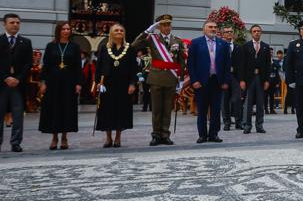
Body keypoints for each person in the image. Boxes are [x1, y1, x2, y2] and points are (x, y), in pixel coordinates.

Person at [132, 14, 183, 146]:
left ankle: (165, 134)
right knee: (156, 109)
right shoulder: (152, 39)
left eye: (169, 24)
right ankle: (156, 135)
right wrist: (148, 31)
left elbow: (181, 61)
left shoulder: (177, 41)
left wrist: (181, 80)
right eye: (164, 25)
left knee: (167, 109)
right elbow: (135, 44)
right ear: (159, 26)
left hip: (171, 78)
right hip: (156, 78)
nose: (167, 27)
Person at [0, 13, 32, 154]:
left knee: (17, 115)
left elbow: (28, 64)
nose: (15, 25)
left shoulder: (25, 42)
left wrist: (18, 78)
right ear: (4, 24)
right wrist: (6, 78)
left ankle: (16, 142)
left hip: (18, 85)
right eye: (12, 22)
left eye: (17, 22)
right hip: (1, 85)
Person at [186, 20, 232, 144]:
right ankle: (202, 135)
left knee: (216, 110)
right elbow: (191, 64)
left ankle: (214, 134)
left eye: (215, 27)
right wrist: (194, 80)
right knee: (202, 110)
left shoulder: (223, 44)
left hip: (217, 81)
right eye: (210, 27)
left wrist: (226, 80)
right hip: (201, 82)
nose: (213, 29)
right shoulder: (195, 43)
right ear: (204, 29)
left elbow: (228, 65)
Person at [38, 21, 82, 150]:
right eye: (64, 29)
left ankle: (64, 137)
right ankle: (54, 137)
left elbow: (77, 67)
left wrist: (78, 83)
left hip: (69, 82)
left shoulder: (75, 46)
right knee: (54, 109)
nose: (66, 31)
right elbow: (46, 65)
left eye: (68, 29)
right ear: (59, 31)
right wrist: (43, 82)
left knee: (66, 109)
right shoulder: (51, 46)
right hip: (53, 82)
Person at [95, 23, 137, 148]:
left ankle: (118, 137)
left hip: (123, 85)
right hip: (107, 84)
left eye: (121, 30)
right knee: (107, 110)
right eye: (116, 30)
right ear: (111, 33)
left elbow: (133, 68)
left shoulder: (130, 48)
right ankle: (108, 138)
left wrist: (132, 83)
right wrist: (97, 82)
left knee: (121, 110)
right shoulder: (104, 47)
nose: (119, 32)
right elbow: (99, 67)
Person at [238, 24, 272, 134]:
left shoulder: (266, 47)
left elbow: (268, 65)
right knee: (248, 103)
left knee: (260, 103)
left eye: (258, 31)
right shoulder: (246, 46)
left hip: (261, 78)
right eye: (254, 31)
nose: (256, 33)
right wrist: (242, 80)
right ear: (251, 33)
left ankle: (259, 125)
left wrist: (267, 80)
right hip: (249, 78)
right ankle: (247, 125)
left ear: (261, 33)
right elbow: (241, 64)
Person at [221, 26, 243, 131]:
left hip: (236, 77)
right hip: (224, 77)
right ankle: (227, 122)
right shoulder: (220, 46)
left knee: (237, 100)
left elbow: (243, 64)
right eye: (227, 32)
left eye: (231, 31)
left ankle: (239, 122)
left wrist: (242, 79)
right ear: (223, 34)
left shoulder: (239, 47)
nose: (229, 33)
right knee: (225, 100)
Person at [270, 49, 283, 114]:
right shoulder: (264, 60)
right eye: (270, 52)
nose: (271, 53)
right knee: (265, 95)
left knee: (273, 95)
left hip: (274, 80)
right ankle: (266, 109)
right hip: (267, 80)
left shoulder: (275, 61)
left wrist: (277, 82)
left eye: (272, 52)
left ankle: (272, 109)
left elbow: (278, 66)